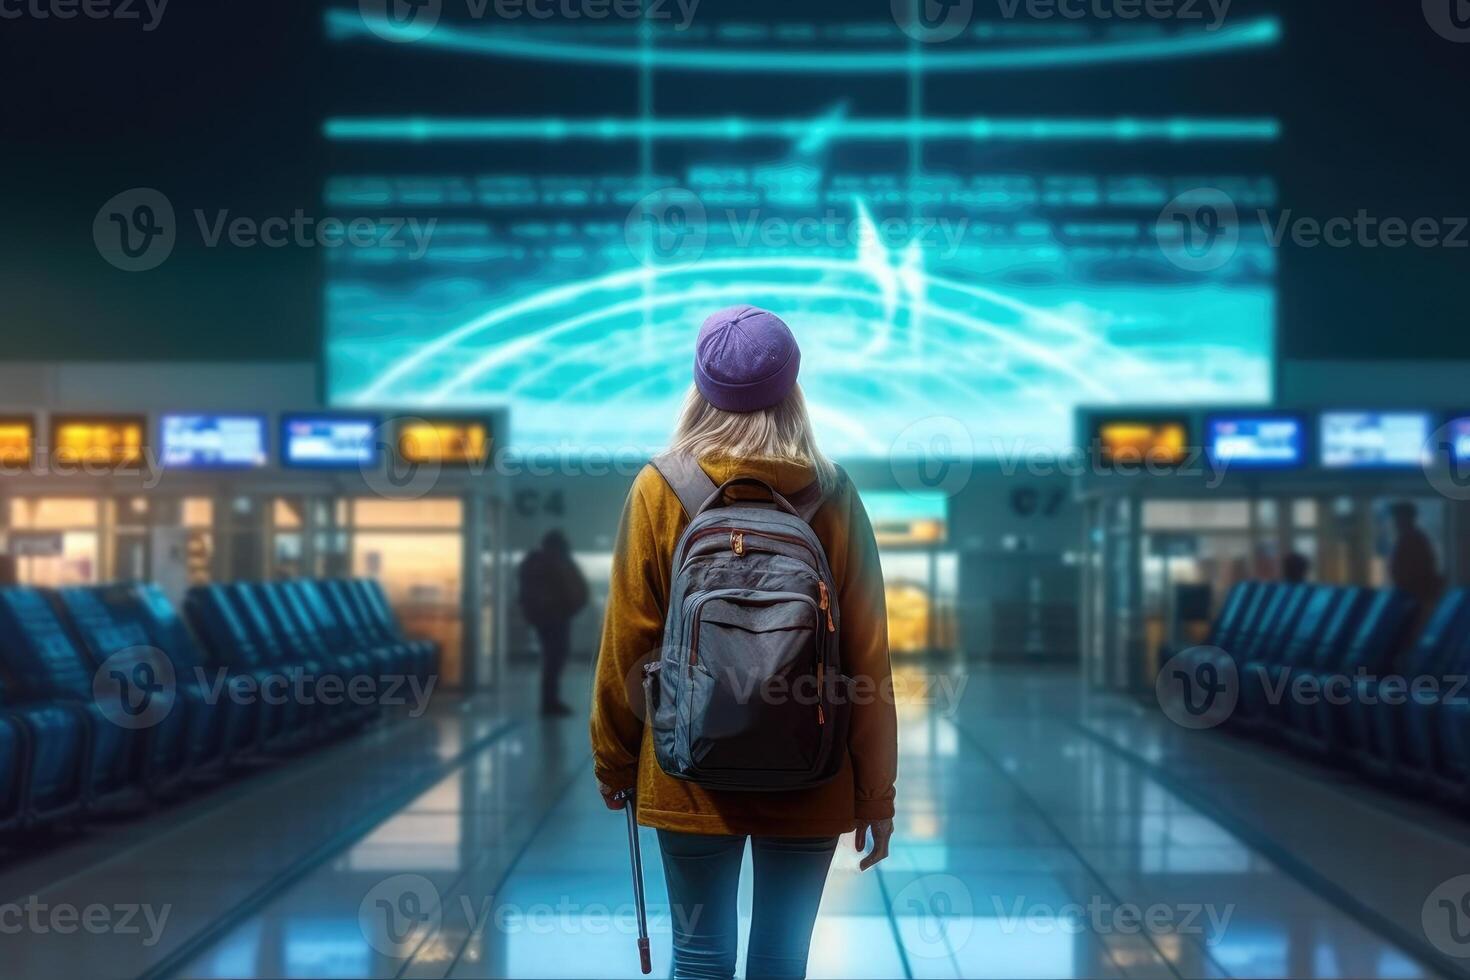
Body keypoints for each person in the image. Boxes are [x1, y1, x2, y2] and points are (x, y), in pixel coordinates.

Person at [590, 306, 898, 980]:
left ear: (699, 388)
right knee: (782, 958)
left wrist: (614, 761)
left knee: (699, 956)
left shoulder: (658, 489)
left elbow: (628, 643)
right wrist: (875, 794)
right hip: (811, 771)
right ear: (794, 389)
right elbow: (868, 659)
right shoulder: (835, 493)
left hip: (688, 773)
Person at [518, 529, 588, 717]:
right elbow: (571, 587)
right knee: (555, 659)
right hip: (555, 616)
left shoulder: (535, 562)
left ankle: (550, 701)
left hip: (549, 616)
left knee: (553, 659)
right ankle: (550, 703)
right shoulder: (555, 562)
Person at [1389, 501, 1443, 606]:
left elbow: (1421, 571)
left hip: (1416, 596)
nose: (1395, 522)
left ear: (1407, 519)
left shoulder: (1414, 540)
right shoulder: (1405, 540)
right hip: (1409, 594)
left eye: (1398, 518)